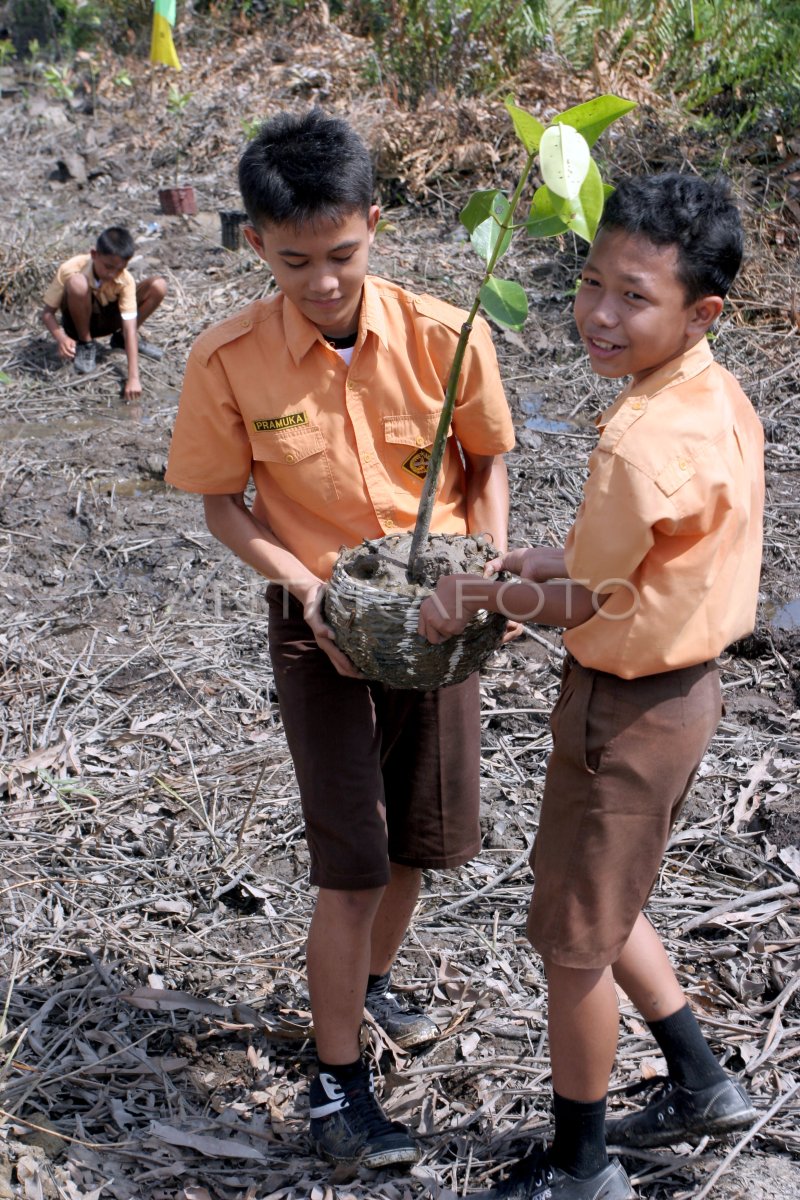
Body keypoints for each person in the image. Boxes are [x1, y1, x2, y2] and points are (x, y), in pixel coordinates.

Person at [164, 108, 516, 1170]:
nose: (321, 282)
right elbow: (224, 504)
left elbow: (487, 465)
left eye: (342, 255)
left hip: (439, 619)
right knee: (352, 865)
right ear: (253, 244)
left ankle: (365, 982)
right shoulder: (226, 361)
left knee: (417, 842)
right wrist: (308, 591)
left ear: (375, 222)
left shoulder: (447, 336)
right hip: (316, 628)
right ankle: (336, 1083)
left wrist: (483, 569)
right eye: (293, 260)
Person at [418, 173, 764, 1200]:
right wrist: (542, 562)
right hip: (680, 694)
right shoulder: (707, 394)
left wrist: (476, 592)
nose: (599, 314)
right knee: (596, 899)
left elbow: (587, 600)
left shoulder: (636, 439)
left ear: (697, 311)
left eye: (632, 296)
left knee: (572, 947)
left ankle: (581, 1167)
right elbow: (641, 558)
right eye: (588, 282)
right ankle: (699, 1078)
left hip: (626, 710)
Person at [40, 226, 167, 401]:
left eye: (119, 269)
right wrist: (61, 338)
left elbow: (131, 328)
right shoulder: (71, 268)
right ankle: (86, 344)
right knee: (78, 283)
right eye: (107, 267)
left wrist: (133, 378)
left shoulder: (125, 280)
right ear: (94, 254)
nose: (112, 274)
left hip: (108, 321)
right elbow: (47, 314)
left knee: (158, 285)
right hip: (78, 323)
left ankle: (119, 340)